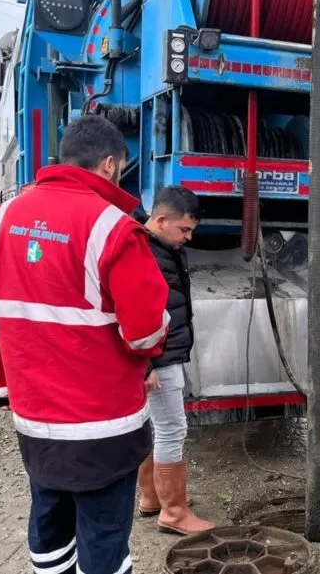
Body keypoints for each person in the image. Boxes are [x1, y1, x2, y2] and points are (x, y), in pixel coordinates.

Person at [0, 114, 170, 574]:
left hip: (36, 420)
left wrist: (4, 390)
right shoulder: (114, 228)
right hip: (102, 426)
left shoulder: (1, 220)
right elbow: (144, 331)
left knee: (49, 525)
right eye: (121, 167)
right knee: (104, 538)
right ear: (109, 165)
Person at [130, 185, 216, 535]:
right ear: (161, 220)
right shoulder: (142, 252)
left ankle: (152, 497)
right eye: (184, 229)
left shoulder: (158, 247)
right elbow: (129, 310)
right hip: (158, 355)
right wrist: (146, 364)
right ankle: (175, 513)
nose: (189, 237)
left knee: (155, 427)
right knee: (171, 429)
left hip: (163, 352)